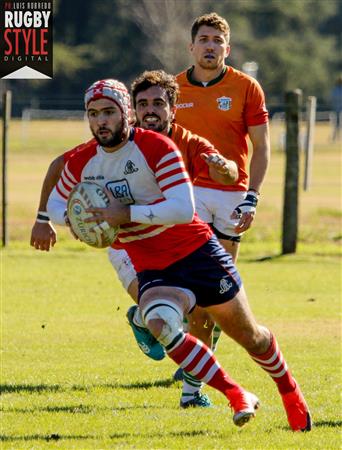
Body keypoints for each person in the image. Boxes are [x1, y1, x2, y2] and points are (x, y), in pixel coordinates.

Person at [47, 78, 311, 432]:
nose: (101, 121)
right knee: (160, 324)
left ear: (125, 113)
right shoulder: (82, 160)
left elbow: (183, 209)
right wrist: (77, 221)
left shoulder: (157, 147)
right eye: (93, 114)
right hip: (153, 266)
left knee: (251, 338)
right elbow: (55, 200)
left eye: (109, 112)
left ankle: (290, 392)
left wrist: (125, 215)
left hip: (198, 254)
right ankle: (236, 394)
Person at [30, 70, 238, 408]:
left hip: (180, 242)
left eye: (158, 103)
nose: (150, 110)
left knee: (199, 313)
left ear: (173, 108)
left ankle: (190, 392)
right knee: (168, 314)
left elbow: (225, 169)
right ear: (132, 109)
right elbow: (60, 165)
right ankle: (144, 320)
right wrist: (50, 218)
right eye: (143, 104)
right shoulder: (107, 142)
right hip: (127, 247)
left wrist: (226, 169)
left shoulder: (186, 143)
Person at [174, 11, 271, 373]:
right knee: (186, 277)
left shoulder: (247, 87)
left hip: (232, 195)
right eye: (204, 40)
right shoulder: (172, 89)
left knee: (218, 284)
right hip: (187, 191)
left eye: (217, 41)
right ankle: (180, 345)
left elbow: (261, 147)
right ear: (192, 46)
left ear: (227, 49)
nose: (210, 46)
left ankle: (198, 358)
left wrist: (253, 196)